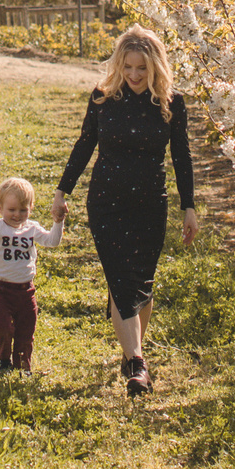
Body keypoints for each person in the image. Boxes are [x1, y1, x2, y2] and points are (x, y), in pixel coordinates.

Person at [54, 26, 195, 396]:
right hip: (107, 202)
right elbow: (85, 144)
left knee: (141, 287)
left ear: (155, 69)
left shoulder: (170, 103)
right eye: (128, 67)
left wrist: (189, 207)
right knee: (121, 283)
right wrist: (61, 190)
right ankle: (137, 363)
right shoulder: (103, 98)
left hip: (151, 203)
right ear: (119, 64)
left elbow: (181, 157)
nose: (134, 75)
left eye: (142, 69)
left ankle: (133, 353)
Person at [0, 177, 60, 373]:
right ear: (0, 208)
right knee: (3, 328)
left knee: (26, 330)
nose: (17, 215)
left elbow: (52, 241)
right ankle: (3, 358)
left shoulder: (32, 228)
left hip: (26, 290)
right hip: (0, 289)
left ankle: (22, 366)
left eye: (23, 210)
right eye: (11, 210)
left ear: (31, 208)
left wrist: (58, 222)